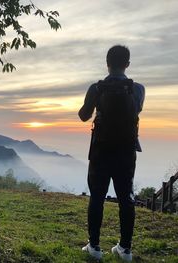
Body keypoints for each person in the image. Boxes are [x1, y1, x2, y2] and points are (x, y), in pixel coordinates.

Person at [79, 45, 145, 262]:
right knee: (126, 197)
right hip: (126, 150)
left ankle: (94, 247)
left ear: (107, 63)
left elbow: (83, 116)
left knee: (97, 197)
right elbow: (135, 111)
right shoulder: (137, 89)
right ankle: (125, 249)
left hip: (101, 149)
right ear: (127, 64)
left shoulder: (97, 88)